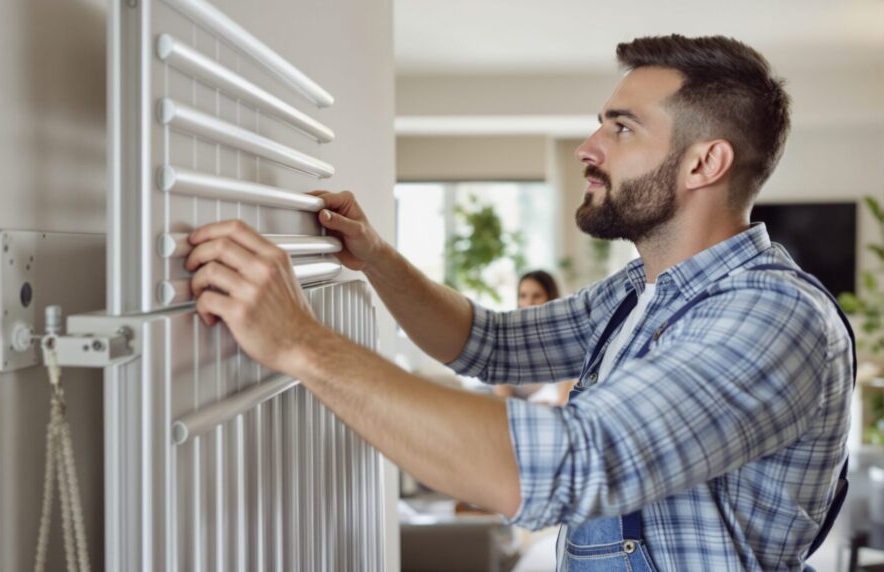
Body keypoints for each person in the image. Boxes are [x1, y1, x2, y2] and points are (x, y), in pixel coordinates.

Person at [181, 35, 853, 570]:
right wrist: (378, 260)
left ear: (704, 164)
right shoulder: (637, 290)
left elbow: (570, 464)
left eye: (620, 129)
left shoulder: (770, 317)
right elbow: (491, 341)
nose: (589, 148)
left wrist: (300, 342)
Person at [494, 270, 574, 406]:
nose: (529, 303)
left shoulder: (563, 340)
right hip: (508, 411)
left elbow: (565, 399)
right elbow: (502, 399)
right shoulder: (507, 339)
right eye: (523, 295)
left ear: (551, 298)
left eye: (537, 296)